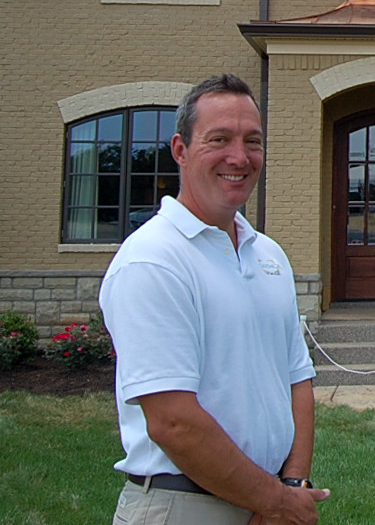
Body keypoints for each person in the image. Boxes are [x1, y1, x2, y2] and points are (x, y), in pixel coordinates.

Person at [100, 74, 329, 525]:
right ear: (180, 150)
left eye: (252, 141)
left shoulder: (269, 255)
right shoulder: (153, 260)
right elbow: (173, 422)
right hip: (182, 507)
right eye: (219, 139)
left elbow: (297, 379)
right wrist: (277, 502)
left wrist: (291, 486)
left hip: (269, 502)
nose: (239, 157)